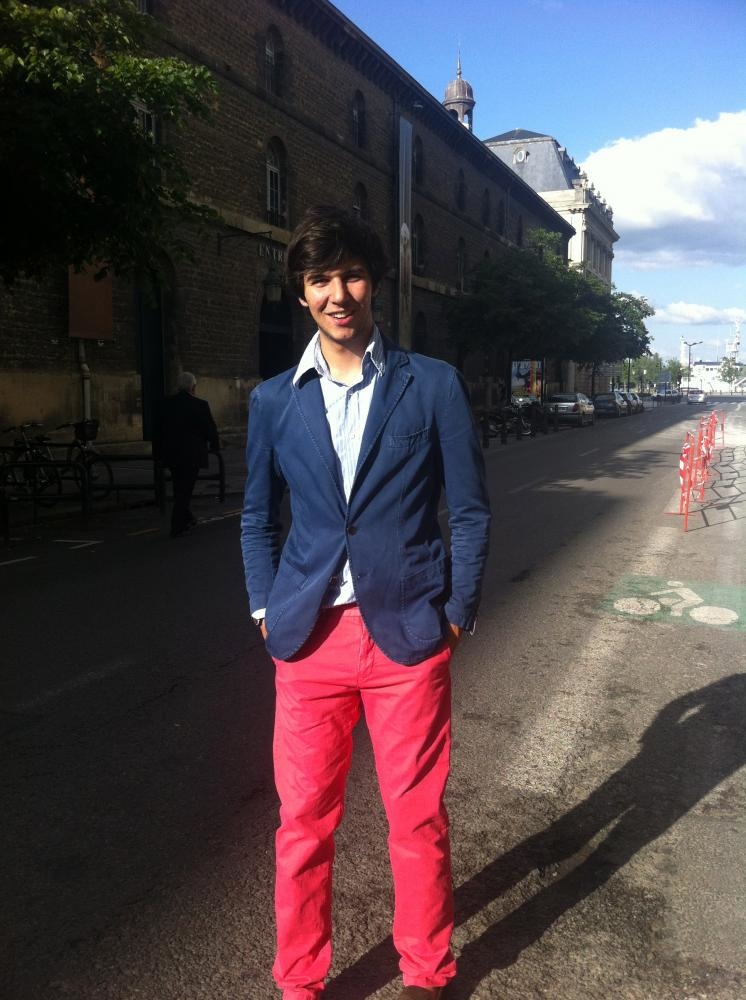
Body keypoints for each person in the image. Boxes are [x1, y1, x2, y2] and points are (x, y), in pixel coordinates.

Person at [240, 206, 491, 1000]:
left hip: (407, 637)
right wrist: (262, 605)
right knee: (302, 827)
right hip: (308, 641)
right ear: (302, 292)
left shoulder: (432, 385)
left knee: (417, 820)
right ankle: (299, 982)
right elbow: (257, 516)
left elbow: (469, 510)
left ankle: (427, 971)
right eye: (320, 279)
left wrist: (457, 610)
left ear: (373, 283)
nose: (337, 294)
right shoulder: (273, 401)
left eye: (350, 275)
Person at [160, 371, 220, 538]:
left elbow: (160, 429)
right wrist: (214, 446)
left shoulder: (167, 404)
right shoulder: (200, 405)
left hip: (172, 452)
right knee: (185, 490)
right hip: (192, 453)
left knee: (178, 486)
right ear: (193, 387)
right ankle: (177, 525)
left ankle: (187, 518)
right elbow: (210, 429)